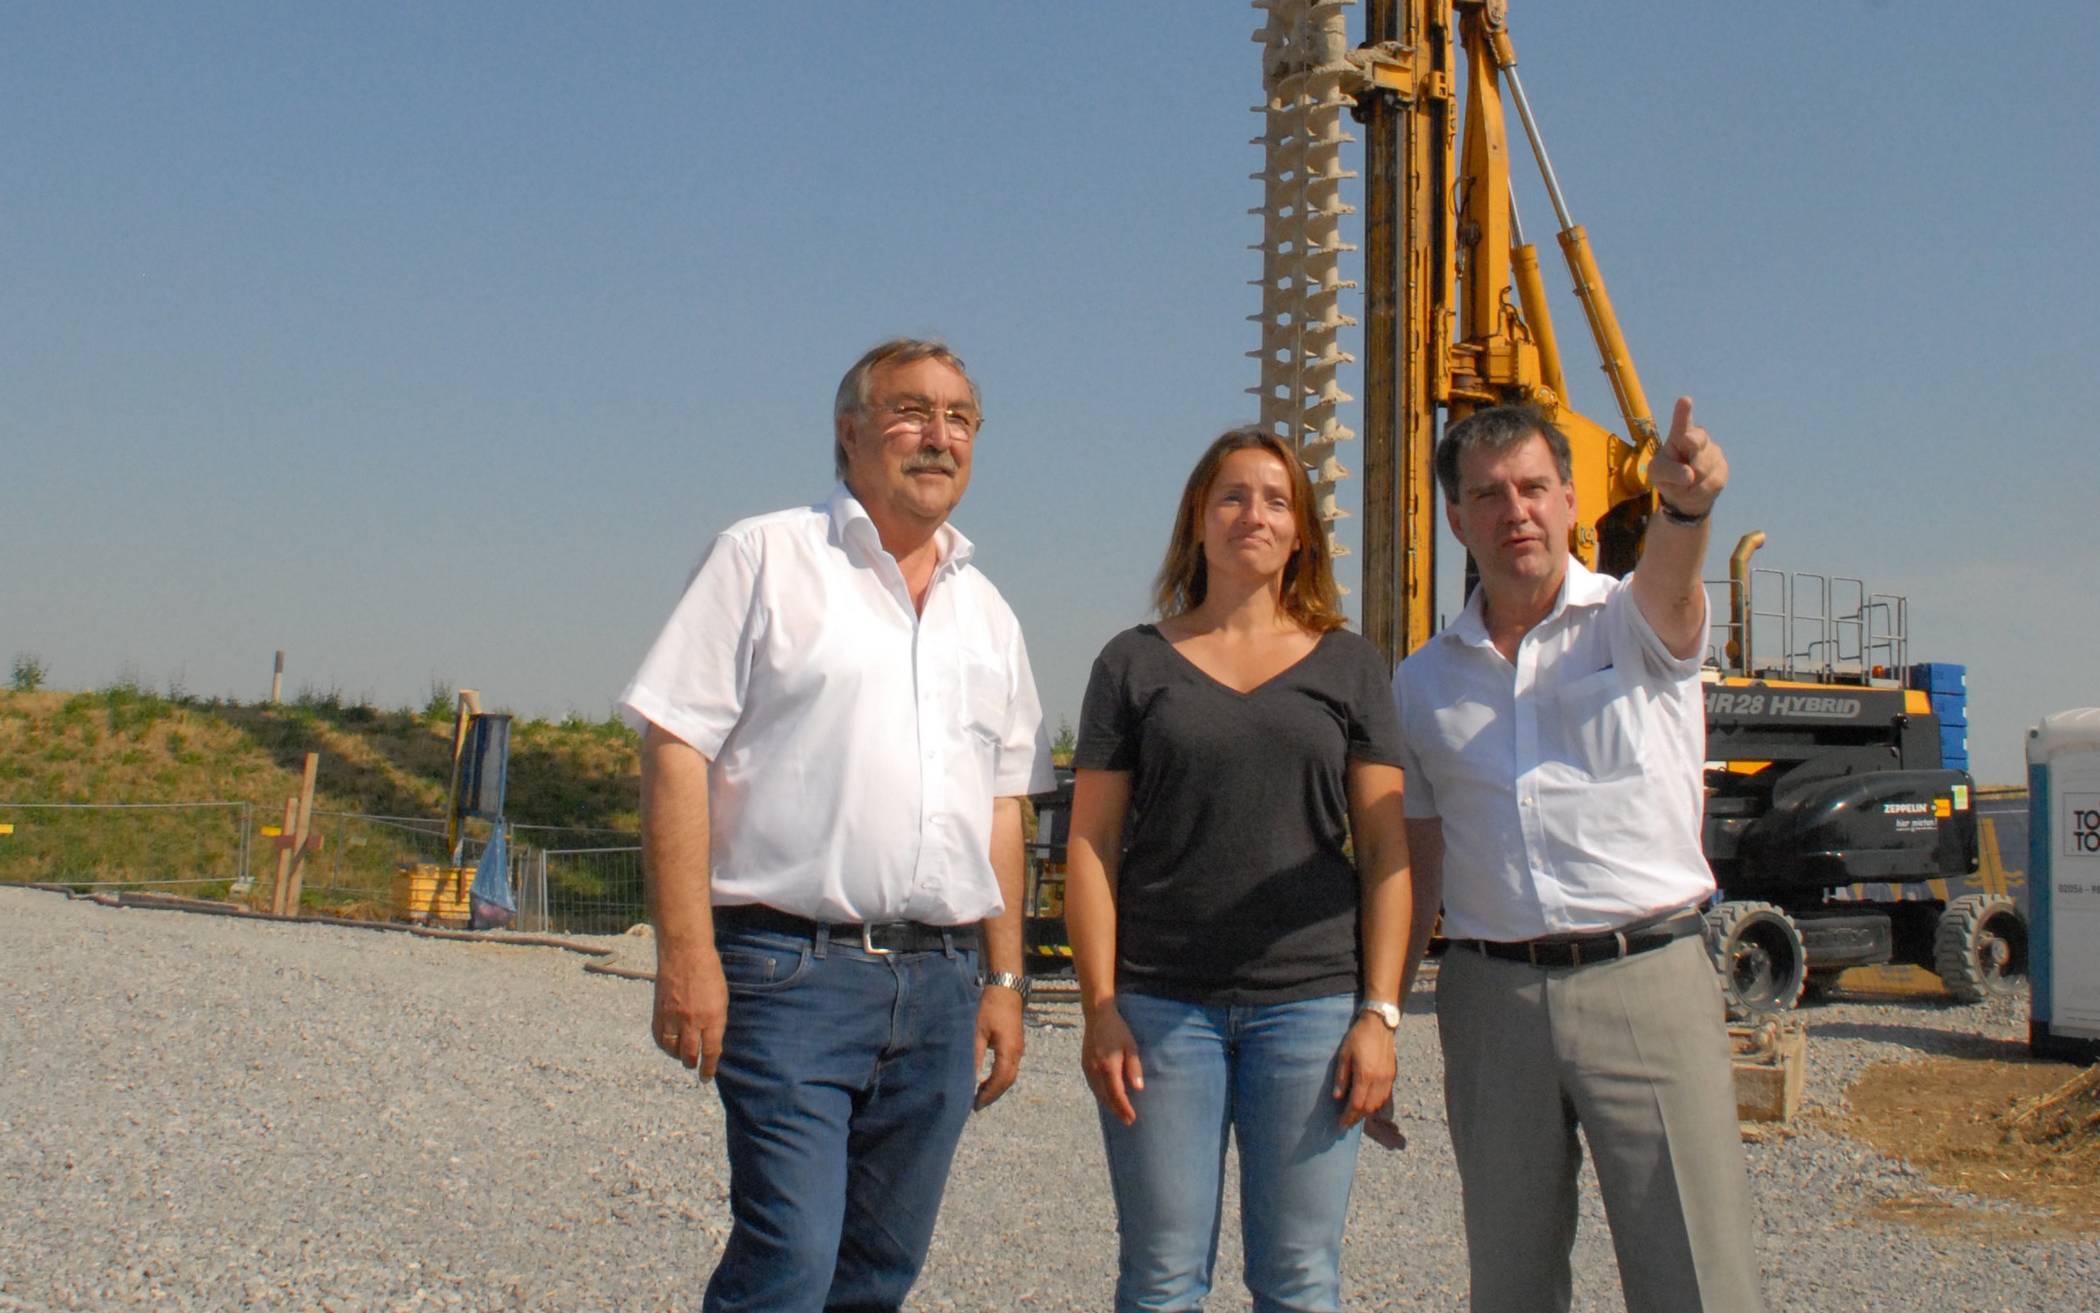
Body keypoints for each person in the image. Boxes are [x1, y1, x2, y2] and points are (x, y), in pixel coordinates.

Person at [617, 338, 1053, 1313]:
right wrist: (685, 952)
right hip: (790, 974)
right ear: (850, 432)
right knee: (791, 1260)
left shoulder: (989, 614)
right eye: (911, 411)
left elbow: (1002, 807)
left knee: (877, 1273)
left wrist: (1006, 978)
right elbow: (674, 744)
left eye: (959, 417)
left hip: (942, 987)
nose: (938, 436)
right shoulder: (765, 557)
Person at [1392, 399, 1762, 1313]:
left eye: (1533, 488)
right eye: (1487, 495)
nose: (1514, 510)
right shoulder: (1422, 681)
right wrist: (1387, 1013)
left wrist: (1684, 511)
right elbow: (1419, 861)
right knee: (1511, 1281)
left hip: (1647, 979)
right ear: (1456, 519)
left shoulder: (1630, 622)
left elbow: (1675, 581)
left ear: (1571, 501)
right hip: (1493, 1000)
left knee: (1695, 1274)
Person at [1063, 426, 1413, 1313]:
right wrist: (1099, 1006)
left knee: (1299, 1279)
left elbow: (1384, 850)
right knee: (1161, 1277)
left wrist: (1380, 1012)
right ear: (1197, 519)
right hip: (1159, 1008)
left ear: (1299, 532)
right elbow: (1092, 844)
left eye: (1274, 499)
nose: (1252, 513)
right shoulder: (1132, 663)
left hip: (1310, 1009)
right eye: (1231, 495)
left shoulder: (1351, 664)